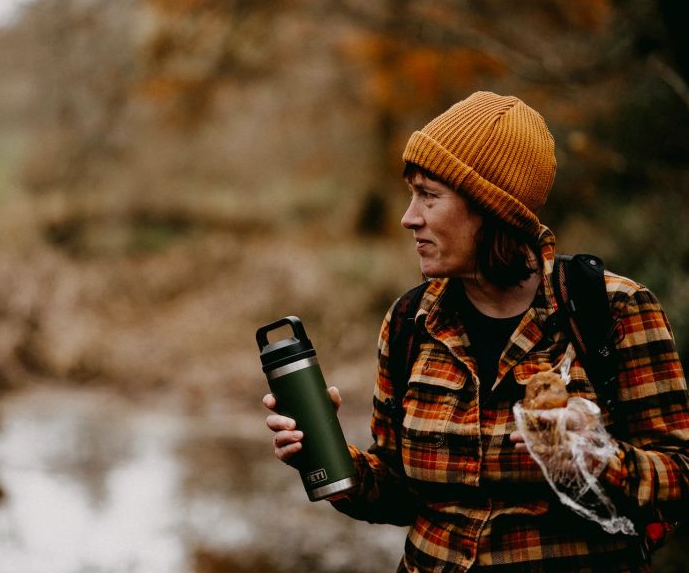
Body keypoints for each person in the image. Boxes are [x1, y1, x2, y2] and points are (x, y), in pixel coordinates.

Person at [264, 91, 689, 571]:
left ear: (491, 208)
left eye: (429, 195)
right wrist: (330, 460)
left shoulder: (613, 310)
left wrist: (595, 459)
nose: (409, 217)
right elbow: (402, 497)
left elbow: (682, 473)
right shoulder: (410, 322)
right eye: (411, 194)